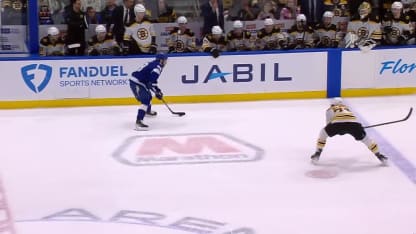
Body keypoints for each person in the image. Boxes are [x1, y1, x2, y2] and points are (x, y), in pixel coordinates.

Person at [310, 97, 388, 165]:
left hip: (337, 125)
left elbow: (328, 124)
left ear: (332, 104)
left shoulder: (330, 109)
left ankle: (317, 154)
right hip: (354, 125)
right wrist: (359, 129)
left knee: (323, 133)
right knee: (366, 139)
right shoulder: (347, 109)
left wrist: (339, 131)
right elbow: (353, 120)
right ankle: (379, 155)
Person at [129, 53, 168, 130]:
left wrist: (157, 91)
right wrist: (157, 92)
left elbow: (151, 81)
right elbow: (151, 83)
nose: (166, 62)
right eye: (165, 60)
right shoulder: (157, 68)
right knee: (146, 99)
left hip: (140, 81)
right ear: (161, 61)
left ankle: (147, 111)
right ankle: (139, 122)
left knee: (149, 96)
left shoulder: (153, 63)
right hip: (137, 82)